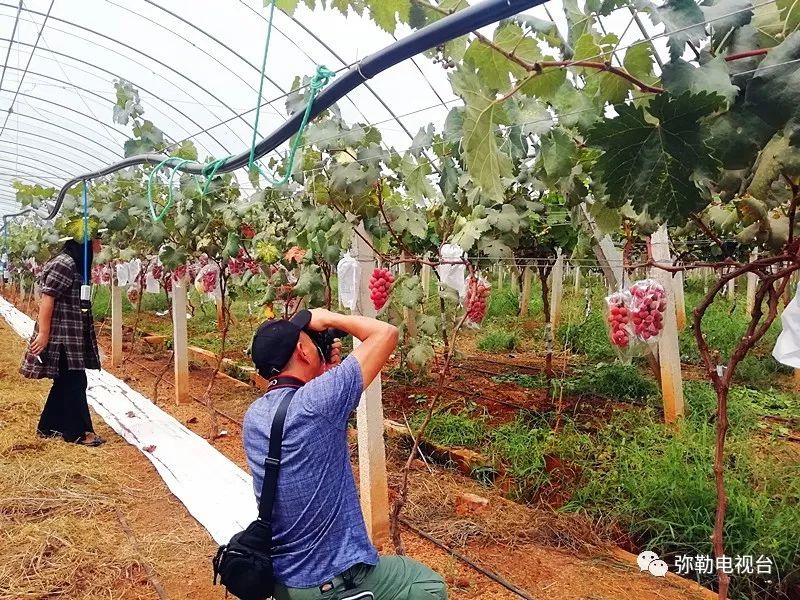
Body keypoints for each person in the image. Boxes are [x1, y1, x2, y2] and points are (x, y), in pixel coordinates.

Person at [244, 308, 447, 600]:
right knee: (427, 586)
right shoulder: (318, 402)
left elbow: (303, 411)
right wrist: (327, 317)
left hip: (286, 580)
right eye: (312, 341)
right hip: (331, 578)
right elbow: (385, 334)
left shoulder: (255, 416)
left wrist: (322, 370)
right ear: (302, 350)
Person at [20, 238, 104, 446]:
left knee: (66, 380)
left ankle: (48, 427)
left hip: (70, 334)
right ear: (85, 241)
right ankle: (77, 433)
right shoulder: (64, 263)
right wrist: (44, 334)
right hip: (61, 337)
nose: (100, 246)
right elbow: (47, 298)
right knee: (75, 381)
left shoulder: (73, 263)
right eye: (98, 240)